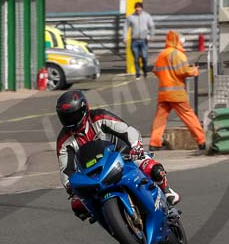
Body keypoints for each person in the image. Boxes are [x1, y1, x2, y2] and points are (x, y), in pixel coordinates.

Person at [55, 89, 180, 221]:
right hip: (92, 173)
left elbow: (128, 131)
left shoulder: (100, 117)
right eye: (66, 117)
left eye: (73, 116)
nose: (70, 121)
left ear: (84, 110)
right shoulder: (64, 140)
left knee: (152, 169)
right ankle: (110, 221)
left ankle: (166, 191)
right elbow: (66, 169)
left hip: (121, 156)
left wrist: (135, 147)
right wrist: (70, 186)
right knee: (77, 204)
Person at [149, 30, 206, 153]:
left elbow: (156, 71)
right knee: (189, 116)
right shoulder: (178, 54)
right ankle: (202, 141)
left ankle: (154, 143)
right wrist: (194, 70)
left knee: (160, 118)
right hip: (177, 94)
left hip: (163, 93)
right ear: (177, 41)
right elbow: (183, 71)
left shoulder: (162, 55)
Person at [123, 1, 154, 78]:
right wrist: (125, 37)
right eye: (137, 10)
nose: (138, 11)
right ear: (135, 9)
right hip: (134, 40)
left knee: (144, 57)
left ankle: (144, 69)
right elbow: (125, 28)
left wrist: (151, 36)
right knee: (136, 58)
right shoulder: (130, 17)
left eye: (139, 10)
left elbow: (152, 27)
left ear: (142, 9)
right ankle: (137, 73)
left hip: (144, 40)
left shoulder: (147, 16)